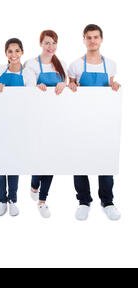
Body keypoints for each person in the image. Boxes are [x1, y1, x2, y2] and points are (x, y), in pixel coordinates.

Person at [67, 24, 121, 221]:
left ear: (101, 39)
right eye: (88, 37)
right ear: (83, 40)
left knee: (104, 159)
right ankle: (83, 201)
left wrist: (113, 85)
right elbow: (69, 91)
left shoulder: (111, 65)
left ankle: (107, 201)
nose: (92, 41)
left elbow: (109, 90)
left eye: (95, 37)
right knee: (79, 160)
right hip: (79, 121)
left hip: (103, 121)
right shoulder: (75, 65)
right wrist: (70, 85)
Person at [24, 30, 68, 218]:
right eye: (47, 43)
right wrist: (37, 87)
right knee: (39, 158)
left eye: (54, 43)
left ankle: (43, 201)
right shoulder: (31, 64)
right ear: (40, 43)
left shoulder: (61, 64)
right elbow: (28, 87)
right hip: (37, 119)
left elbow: (67, 85)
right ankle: (34, 184)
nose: (51, 47)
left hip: (56, 119)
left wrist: (64, 85)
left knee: (52, 161)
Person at [0, 38, 36, 217]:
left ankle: (13, 200)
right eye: (10, 51)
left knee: (14, 163)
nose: (13, 55)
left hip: (18, 124)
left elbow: (30, 100)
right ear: (5, 54)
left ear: (22, 52)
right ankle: (2, 200)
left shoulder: (28, 74)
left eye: (17, 51)